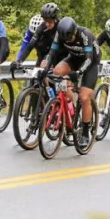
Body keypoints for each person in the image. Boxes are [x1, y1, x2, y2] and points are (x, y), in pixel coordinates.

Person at [36, 16, 100, 147]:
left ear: (75, 31)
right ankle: (69, 103)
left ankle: (85, 132)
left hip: (91, 62)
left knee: (84, 97)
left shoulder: (84, 34)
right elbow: (52, 53)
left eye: (70, 38)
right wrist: (45, 69)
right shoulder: (60, 34)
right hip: (74, 58)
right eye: (66, 39)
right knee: (57, 72)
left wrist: (79, 72)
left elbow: (88, 59)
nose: (68, 40)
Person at [14, 2, 61, 68]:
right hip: (44, 56)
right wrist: (19, 61)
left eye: (49, 21)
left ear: (55, 18)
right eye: (45, 20)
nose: (47, 24)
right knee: (36, 76)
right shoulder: (41, 27)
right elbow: (29, 46)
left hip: (60, 55)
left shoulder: (61, 26)